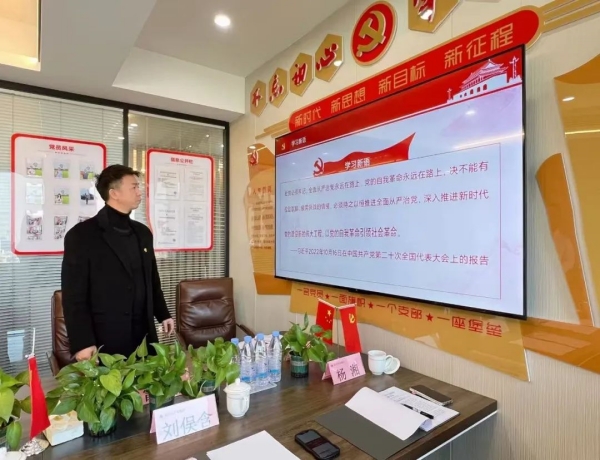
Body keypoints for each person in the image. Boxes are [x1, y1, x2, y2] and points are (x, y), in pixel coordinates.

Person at [61, 164, 174, 360]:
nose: (139, 192)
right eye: (134, 187)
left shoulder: (142, 233)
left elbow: (152, 280)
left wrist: (163, 314)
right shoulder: (82, 236)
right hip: (107, 337)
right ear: (114, 193)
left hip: (144, 334)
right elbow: (74, 296)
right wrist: (82, 343)